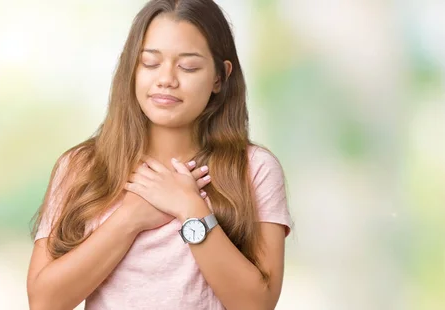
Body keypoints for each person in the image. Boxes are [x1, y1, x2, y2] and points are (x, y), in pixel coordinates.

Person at [26, 0, 292, 309]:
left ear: (220, 76)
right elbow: (44, 302)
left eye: (188, 66)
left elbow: (257, 304)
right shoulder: (82, 166)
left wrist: (190, 208)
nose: (166, 78)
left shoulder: (255, 168)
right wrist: (131, 217)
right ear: (132, 68)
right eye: (150, 63)